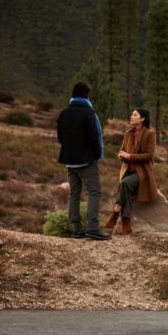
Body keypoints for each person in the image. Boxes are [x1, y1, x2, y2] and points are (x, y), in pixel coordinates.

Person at [56, 82, 110, 240]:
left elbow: (60, 138)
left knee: (74, 193)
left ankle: (76, 228)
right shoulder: (88, 112)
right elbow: (94, 137)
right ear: (86, 95)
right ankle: (93, 227)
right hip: (86, 160)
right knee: (94, 191)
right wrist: (95, 155)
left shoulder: (63, 113)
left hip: (69, 160)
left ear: (73, 95)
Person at [105, 108, 158, 236]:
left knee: (124, 184)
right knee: (126, 190)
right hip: (127, 170)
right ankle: (127, 227)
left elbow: (149, 155)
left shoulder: (150, 134)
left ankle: (117, 209)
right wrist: (122, 155)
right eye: (132, 115)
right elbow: (122, 151)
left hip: (142, 173)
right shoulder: (128, 134)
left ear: (142, 119)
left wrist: (130, 156)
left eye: (135, 115)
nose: (131, 116)